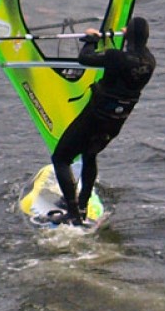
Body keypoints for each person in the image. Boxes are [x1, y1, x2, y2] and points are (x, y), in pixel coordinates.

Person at [51, 16, 156, 225]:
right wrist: (127, 37)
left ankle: (73, 213)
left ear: (130, 35)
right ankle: (82, 205)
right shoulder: (150, 61)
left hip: (95, 117)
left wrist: (90, 40)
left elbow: (85, 59)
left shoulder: (116, 57)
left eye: (127, 30)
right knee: (90, 154)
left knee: (61, 158)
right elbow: (128, 60)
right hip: (116, 121)